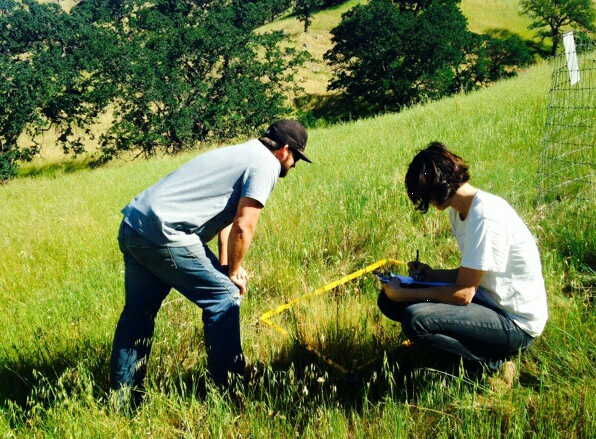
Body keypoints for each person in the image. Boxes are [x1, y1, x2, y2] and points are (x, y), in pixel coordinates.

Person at [110, 120, 311, 401]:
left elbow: (227, 221)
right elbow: (244, 225)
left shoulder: (243, 152)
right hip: (166, 234)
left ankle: (123, 400)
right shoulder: (266, 165)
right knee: (224, 295)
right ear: (285, 150)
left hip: (135, 226)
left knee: (138, 315)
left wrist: (229, 267)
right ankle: (230, 393)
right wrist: (234, 275)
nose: (294, 165)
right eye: (296, 158)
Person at [378, 142, 548, 375]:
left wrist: (405, 293)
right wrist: (431, 275)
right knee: (388, 301)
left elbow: (464, 293)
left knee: (414, 319)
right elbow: (474, 275)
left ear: (434, 189)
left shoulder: (485, 216)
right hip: (488, 301)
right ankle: (469, 351)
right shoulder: (459, 213)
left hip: (515, 323)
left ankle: (492, 366)